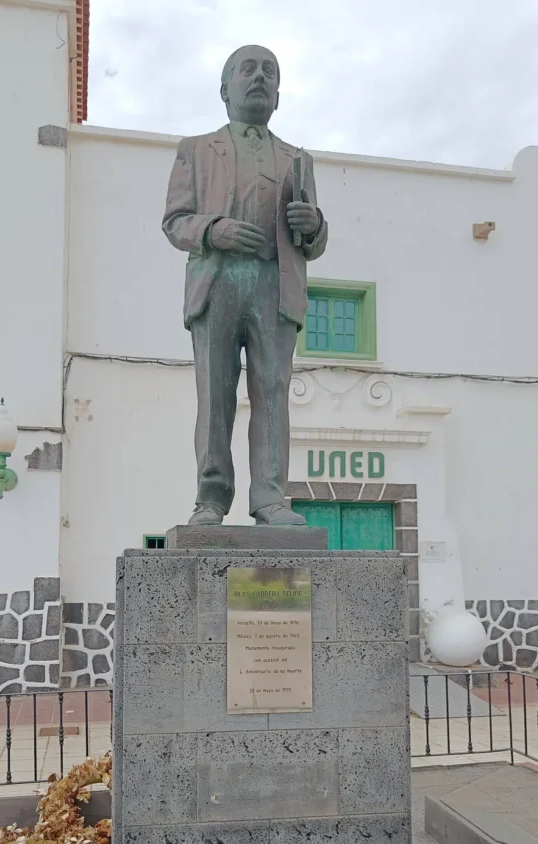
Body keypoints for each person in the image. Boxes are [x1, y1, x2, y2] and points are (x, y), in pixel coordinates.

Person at [162, 44, 328, 526]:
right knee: (215, 394)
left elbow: (314, 241)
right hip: (217, 284)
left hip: (275, 285)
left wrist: (312, 224)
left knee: (272, 392)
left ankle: (270, 496)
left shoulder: (299, 159)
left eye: (270, 72)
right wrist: (214, 229)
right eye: (247, 69)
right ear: (224, 89)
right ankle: (211, 497)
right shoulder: (194, 151)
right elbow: (175, 222)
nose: (259, 77)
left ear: (278, 96)